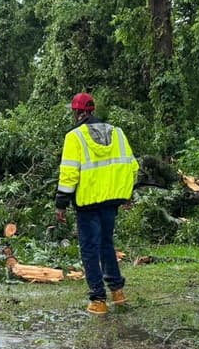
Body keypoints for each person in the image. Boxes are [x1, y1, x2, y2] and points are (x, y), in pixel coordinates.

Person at [55, 91, 138, 316]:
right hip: (112, 200)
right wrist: (128, 195)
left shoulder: (75, 137)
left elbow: (69, 174)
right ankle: (118, 292)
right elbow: (131, 166)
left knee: (90, 249)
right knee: (106, 244)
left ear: (78, 112)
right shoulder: (117, 133)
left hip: (88, 202)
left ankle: (98, 300)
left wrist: (61, 203)